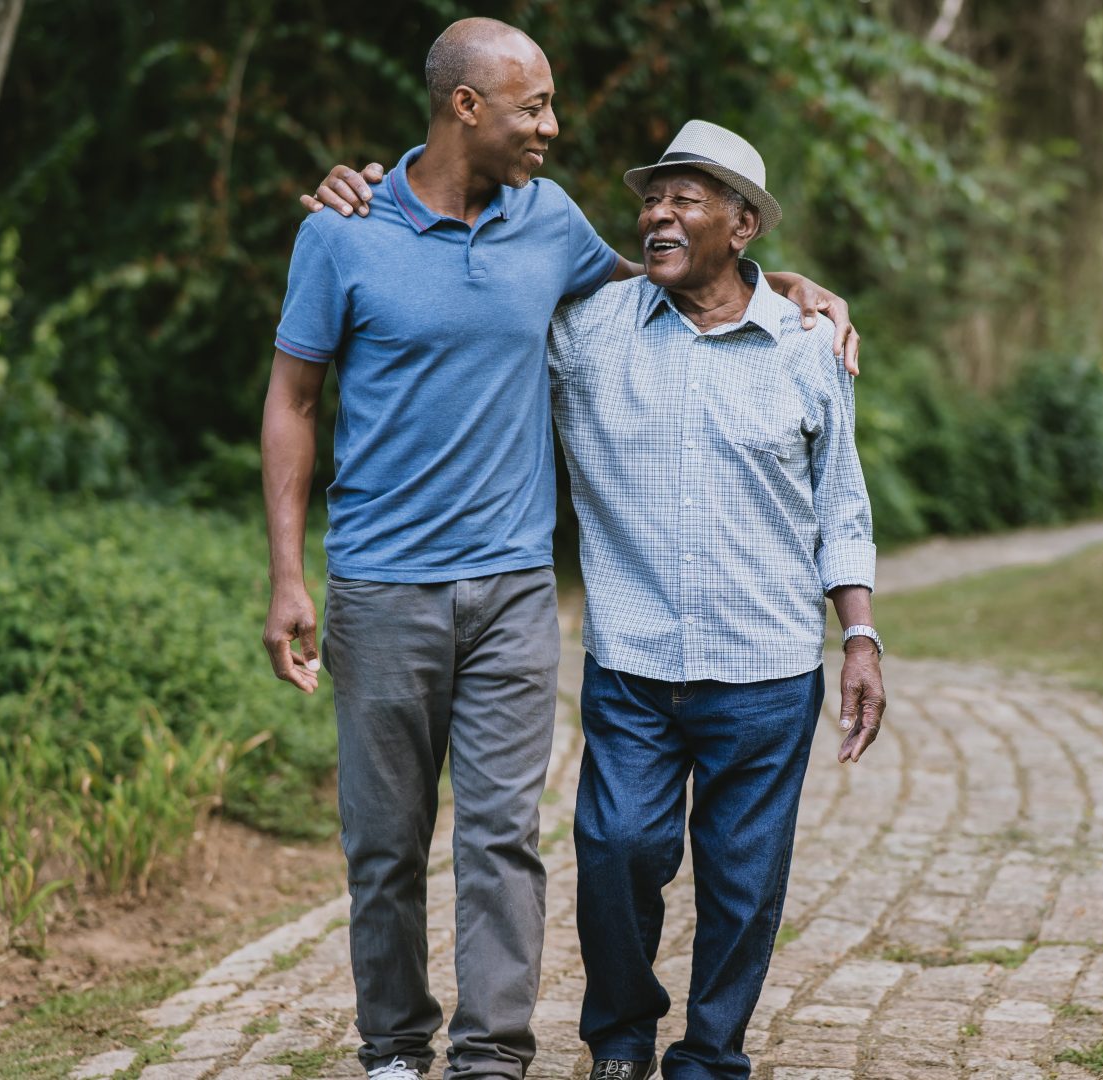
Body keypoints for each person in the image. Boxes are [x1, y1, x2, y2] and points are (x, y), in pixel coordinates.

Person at [261, 18, 857, 1080]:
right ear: (465, 107)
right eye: (532, 106)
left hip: (516, 592)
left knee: (504, 840)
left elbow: (666, 276)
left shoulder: (550, 225)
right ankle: (395, 1048)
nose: (552, 125)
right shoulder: (346, 235)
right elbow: (293, 400)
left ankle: (494, 1056)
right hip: (381, 587)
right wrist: (285, 576)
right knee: (388, 846)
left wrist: (791, 289)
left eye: (549, 103)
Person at [547, 120, 887, 1080]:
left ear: (741, 226)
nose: (657, 212)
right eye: (651, 197)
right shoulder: (585, 331)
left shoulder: (807, 345)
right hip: (634, 660)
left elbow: (842, 506)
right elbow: (471, 310)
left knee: (742, 887)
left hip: (769, 669)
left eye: (685, 198)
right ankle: (619, 1039)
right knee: (615, 853)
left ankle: (709, 1056)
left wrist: (858, 636)